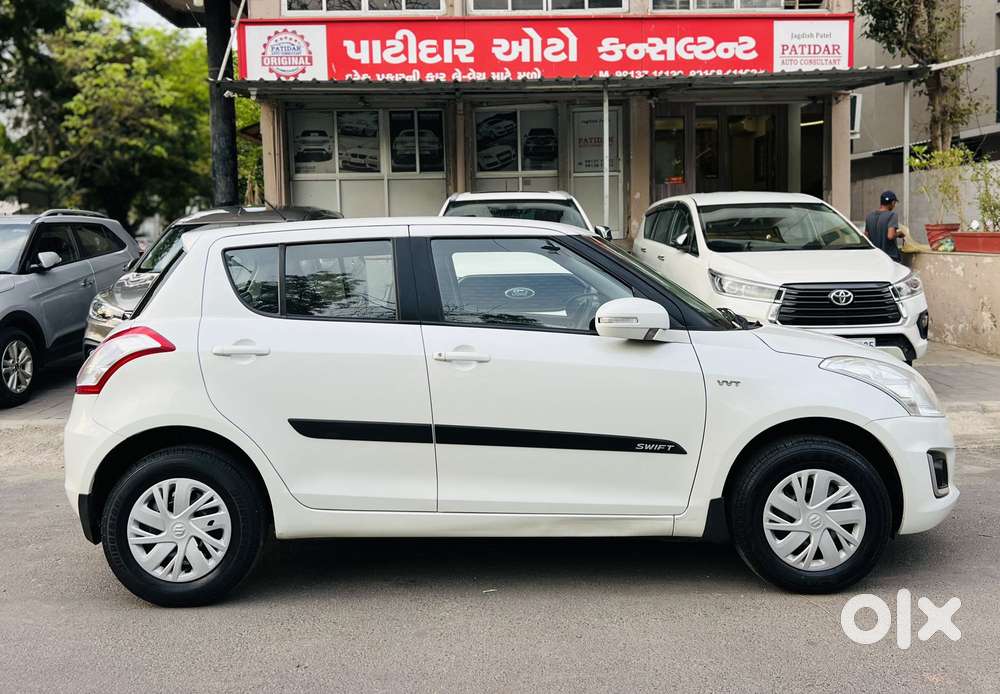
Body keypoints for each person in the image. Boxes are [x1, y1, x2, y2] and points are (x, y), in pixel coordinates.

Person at [865, 191, 905, 262]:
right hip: (889, 257)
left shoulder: (869, 216)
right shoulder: (892, 215)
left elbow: (866, 236)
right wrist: (899, 233)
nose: (894, 205)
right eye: (894, 203)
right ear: (892, 203)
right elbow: (890, 236)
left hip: (874, 256)